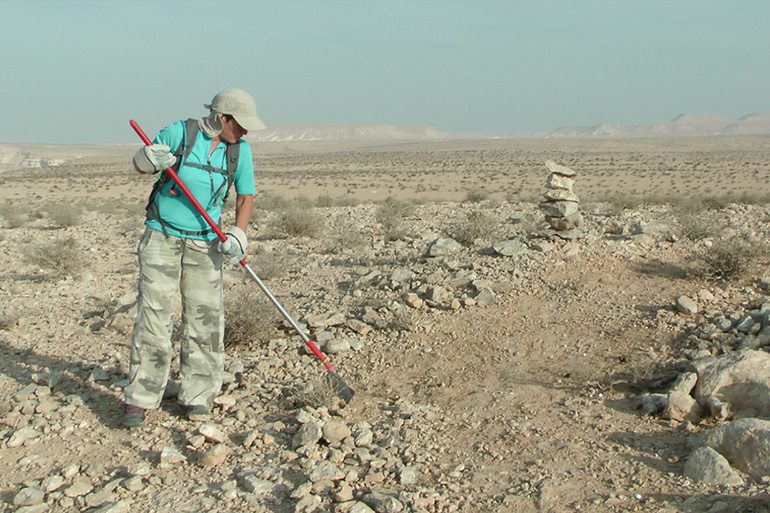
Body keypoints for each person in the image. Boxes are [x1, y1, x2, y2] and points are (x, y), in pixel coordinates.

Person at [122, 88, 264, 428]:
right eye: (240, 125)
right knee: (154, 318)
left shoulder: (239, 152)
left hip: (206, 244)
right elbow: (142, 164)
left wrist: (238, 235)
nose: (244, 132)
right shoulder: (179, 133)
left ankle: (197, 396)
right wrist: (147, 160)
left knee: (205, 319)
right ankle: (141, 398)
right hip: (162, 236)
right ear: (222, 118)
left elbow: (246, 196)